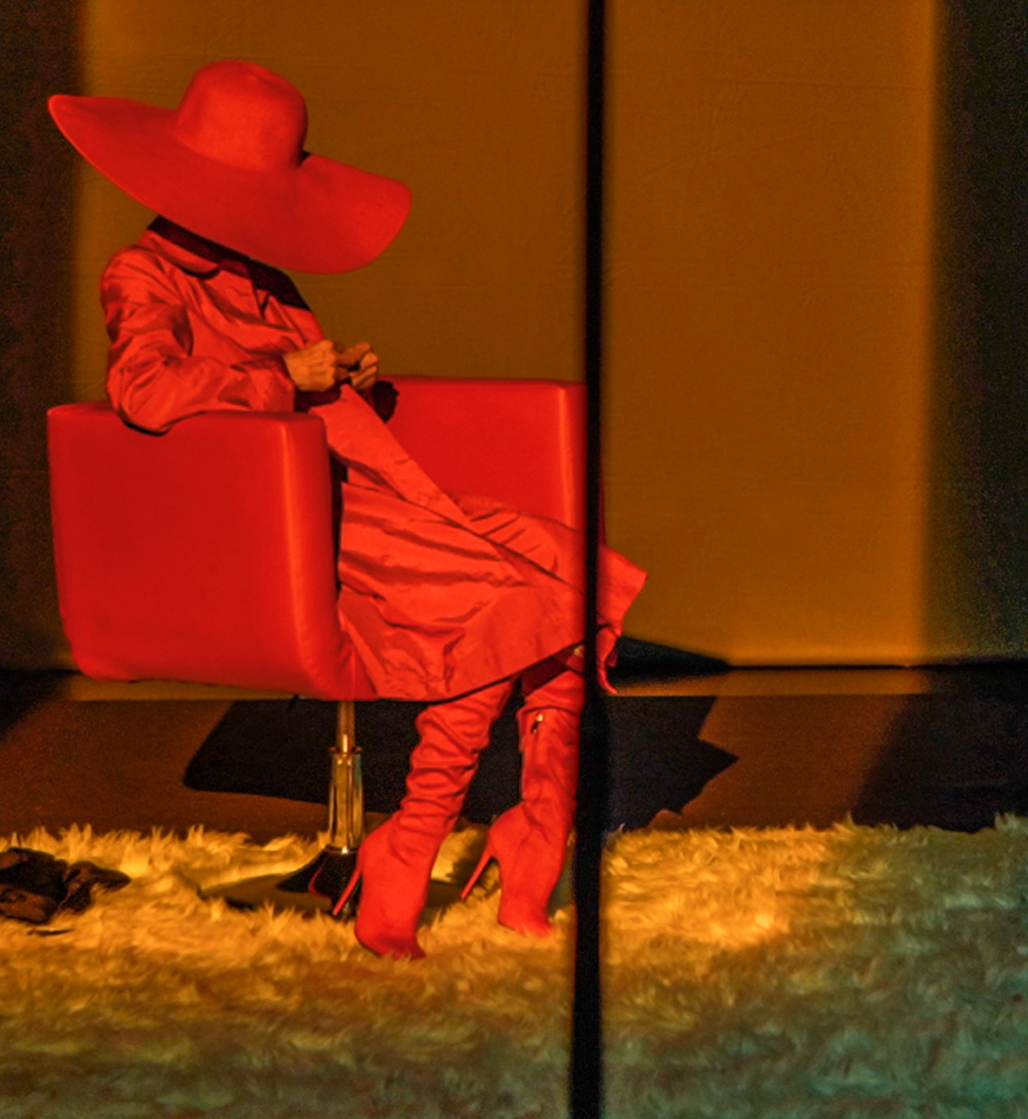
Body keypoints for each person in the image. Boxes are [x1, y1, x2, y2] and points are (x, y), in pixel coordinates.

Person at [49, 60, 643, 959]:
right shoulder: (143, 273)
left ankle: (534, 820)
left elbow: (290, 387)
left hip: (353, 490)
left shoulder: (262, 277)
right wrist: (285, 375)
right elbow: (145, 392)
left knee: (560, 581)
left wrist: (339, 377)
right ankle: (419, 834)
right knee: (512, 601)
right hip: (275, 522)